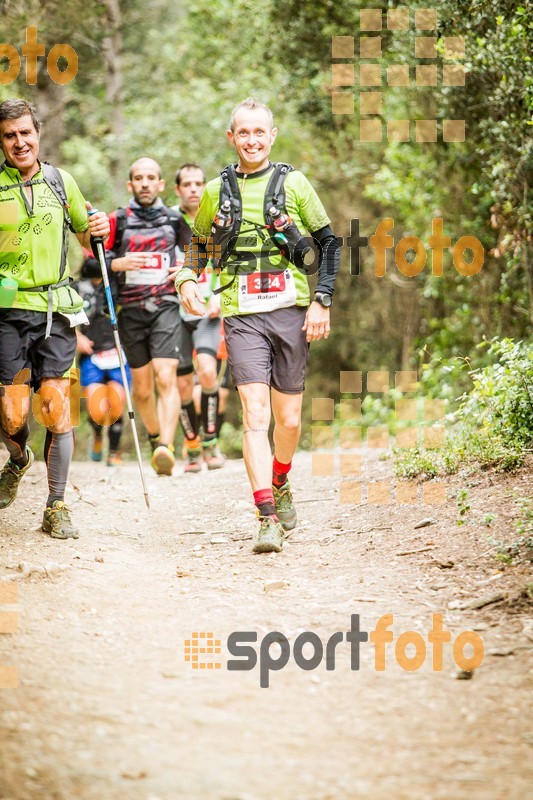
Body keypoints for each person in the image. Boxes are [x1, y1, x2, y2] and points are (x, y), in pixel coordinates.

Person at [177, 98, 340, 553]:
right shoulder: (215, 190)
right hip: (241, 313)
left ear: (272, 136)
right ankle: (265, 515)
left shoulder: (296, 183)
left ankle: (281, 478)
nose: (251, 140)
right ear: (232, 138)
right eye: (242, 133)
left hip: (291, 310)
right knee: (255, 415)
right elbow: (199, 245)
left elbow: (330, 244)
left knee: (288, 421)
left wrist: (322, 300)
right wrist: (188, 275)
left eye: (259, 133)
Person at [0, 98, 110, 539]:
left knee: (55, 404)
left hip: (55, 308)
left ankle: (57, 504)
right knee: (11, 413)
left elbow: (85, 236)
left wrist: (96, 228)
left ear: (37, 133)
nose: (19, 142)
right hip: (8, 310)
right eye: (9, 135)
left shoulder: (61, 182)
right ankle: (19, 457)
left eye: (25, 133)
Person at [106, 157, 190, 476]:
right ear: (130, 185)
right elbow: (91, 264)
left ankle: (166, 446)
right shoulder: (118, 220)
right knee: (141, 389)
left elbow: (196, 251)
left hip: (165, 305)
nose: (144, 183)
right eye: (138, 178)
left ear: (160, 184)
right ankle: (155, 438)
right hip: (129, 311)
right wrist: (118, 264)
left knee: (166, 376)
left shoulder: (174, 219)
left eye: (150, 177)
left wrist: (187, 269)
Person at [172, 163, 225, 472]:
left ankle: (210, 440)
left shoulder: (217, 220)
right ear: (177, 189)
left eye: (198, 183)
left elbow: (226, 264)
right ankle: (191, 446)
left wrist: (218, 294)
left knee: (207, 373)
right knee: (180, 385)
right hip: (175, 312)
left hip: (207, 310)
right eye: (187, 183)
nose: (193, 188)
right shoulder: (168, 221)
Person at [74, 250, 131, 467]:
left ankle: (114, 452)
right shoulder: (77, 287)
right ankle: (97, 434)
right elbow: (63, 315)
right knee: (96, 407)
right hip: (91, 353)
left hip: (117, 351)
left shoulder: (117, 284)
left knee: (116, 402)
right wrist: (76, 336)